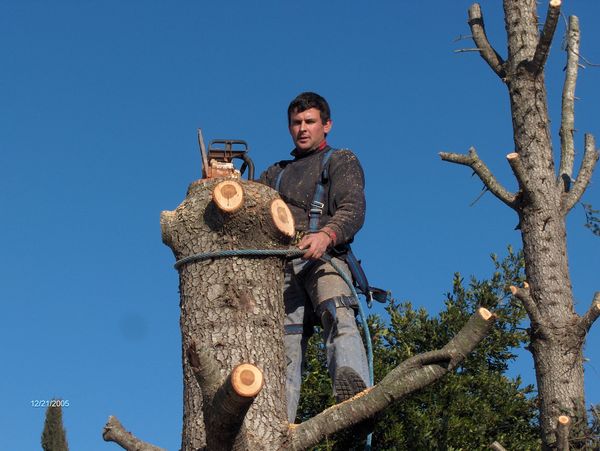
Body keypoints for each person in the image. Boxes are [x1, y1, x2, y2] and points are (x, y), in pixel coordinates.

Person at [259, 92, 370, 423]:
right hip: (282, 267)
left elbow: (353, 209)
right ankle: (278, 423)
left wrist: (327, 235)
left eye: (310, 121)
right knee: (284, 345)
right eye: (296, 123)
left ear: (327, 125)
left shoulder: (340, 160)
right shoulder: (274, 173)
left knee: (338, 313)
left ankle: (355, 396)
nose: (302, 128)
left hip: (324, 258)